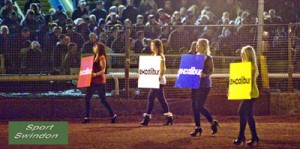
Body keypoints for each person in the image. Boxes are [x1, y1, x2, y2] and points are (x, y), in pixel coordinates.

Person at [82, 42, 117, 124]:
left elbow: (103, 70)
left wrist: (95, 74)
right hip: (93, 81)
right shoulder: (94, 57)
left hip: (100, 81)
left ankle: (112, 115)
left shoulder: (101, 57)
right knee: (87, 98)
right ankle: (87, 117)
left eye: (95, 46)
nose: (94, 48)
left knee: (103, 99)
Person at [190, 38, 219, 137]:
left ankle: (212, 121)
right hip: (194, 83)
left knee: (199, 106)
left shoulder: (208, 58)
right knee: (194, 106)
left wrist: (205, 75)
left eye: (198, 45)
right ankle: (198, 127)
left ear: (203, 46)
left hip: (204, 84)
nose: (196, 46)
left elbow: (211, 70)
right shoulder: (194, 57)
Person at [140, 39, 173, 126]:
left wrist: (159, 76)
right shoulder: (153, 55)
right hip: (155, 80)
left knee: (151, 98)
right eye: (151, 45)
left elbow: (163, 68)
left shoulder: (160, 56)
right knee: (160, 99)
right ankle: (169, 118)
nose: (151, 47)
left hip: (158, 81)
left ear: (157, 46)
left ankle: (147, 118)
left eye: (153, 45)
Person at [233, 45, 259, 146]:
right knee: (248, 115)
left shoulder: (251, 66)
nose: (241, 55)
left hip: (251, 93)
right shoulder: (246, 65)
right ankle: (254, 137)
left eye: (243, 53)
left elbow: (251, 82)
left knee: (241, 112)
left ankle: (241, 137)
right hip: (249, 92)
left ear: (247, 54)